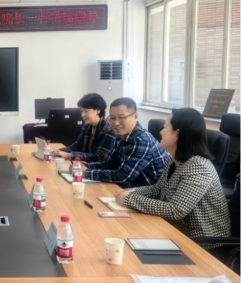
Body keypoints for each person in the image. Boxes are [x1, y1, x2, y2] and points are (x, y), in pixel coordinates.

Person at [115, 108, 231, 249]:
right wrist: (128, 192)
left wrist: (129, 199)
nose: (160, 132)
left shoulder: (199, 167)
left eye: (165, 127)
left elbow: (176, 210)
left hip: (203, 243)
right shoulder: (173, 161)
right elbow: (157, 189)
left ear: (177, 134)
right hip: (175, 231)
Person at [78, 97, 168, 188]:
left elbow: (123, 177)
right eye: (112, 118)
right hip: (128, 189)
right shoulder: (120, 137)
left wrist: (86, 172)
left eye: (121, 117)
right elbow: (109, 163)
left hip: (149, 193)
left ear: (135, 116)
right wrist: (82, 166)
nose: (116, 123)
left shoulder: (142, 141)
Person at [53, 93, 116, 162]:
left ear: (98, 110)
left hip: (96, 167)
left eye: (86, 111)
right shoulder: (87, 126)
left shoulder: (109, 129)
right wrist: (60, 151)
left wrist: (69, 155)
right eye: (81, 111)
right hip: (85, 164)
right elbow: (77, 145)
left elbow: (99, 156)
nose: (83, 115)